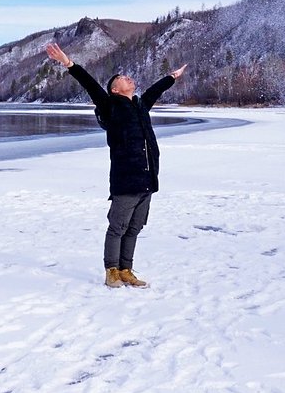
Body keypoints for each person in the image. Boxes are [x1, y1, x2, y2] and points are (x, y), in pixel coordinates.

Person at [45, 41, 187, 289]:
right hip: (126, 179)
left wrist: (171, 77)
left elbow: (155, 91)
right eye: (122, 78)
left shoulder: (141, 105)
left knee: (134, 227)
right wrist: (68, 63)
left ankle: (126, 270)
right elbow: (89, 84)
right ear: (114, 89)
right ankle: (111, 271)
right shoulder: (110, 105)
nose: (128, 78)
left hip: (148, 178)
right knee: (117, 228)